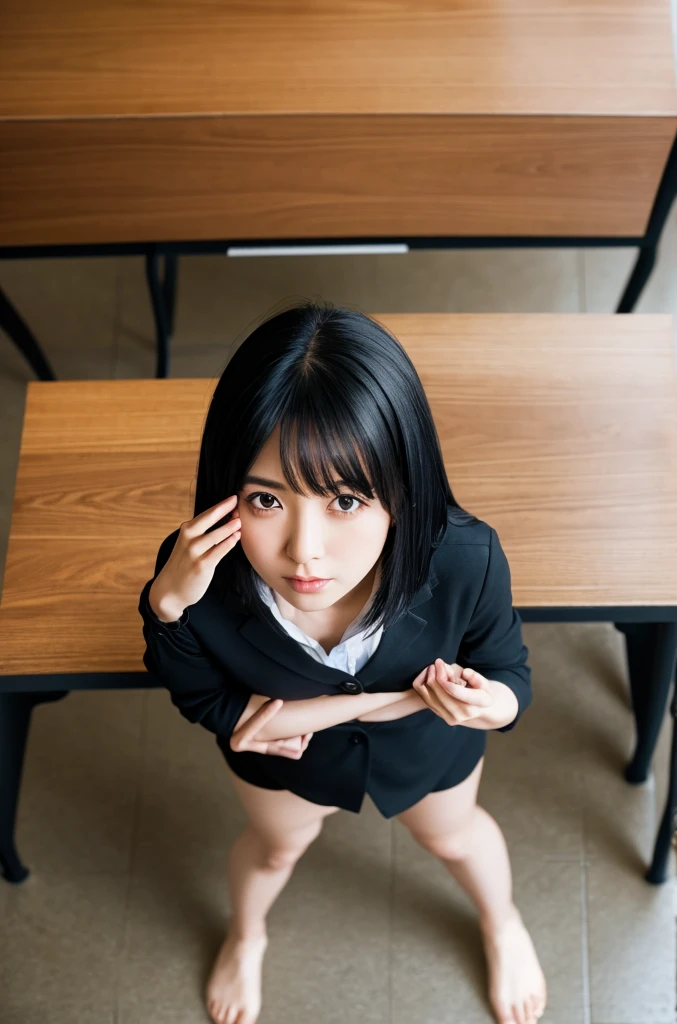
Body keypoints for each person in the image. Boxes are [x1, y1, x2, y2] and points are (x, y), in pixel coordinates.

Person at [138, 300, 547, 1024]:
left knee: (457, 835)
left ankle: (502, 922)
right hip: (286, 769)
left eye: (347, 500)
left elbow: (510, 672)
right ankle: (247, 934)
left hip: (430, 749)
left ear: (404, 485)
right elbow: (201, 701)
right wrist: (167, 605)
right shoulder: (199, 575)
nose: (306, 552)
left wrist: (496, 705)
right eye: (267, 498)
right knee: (271, 853)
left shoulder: (465, 557)